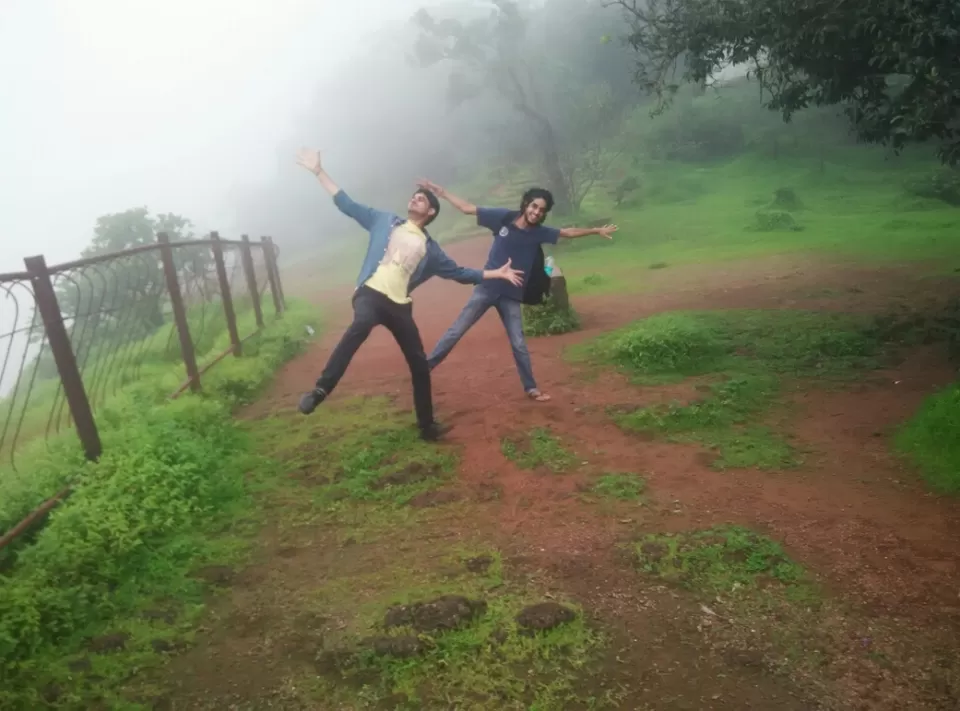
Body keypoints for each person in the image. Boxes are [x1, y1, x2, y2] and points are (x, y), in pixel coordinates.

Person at [294, 148, 524, 441]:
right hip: (370, 294)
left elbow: (460, 272)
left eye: (423, 199)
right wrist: (319, 172)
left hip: (399, 306)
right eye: (415, 196)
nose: (416, 198)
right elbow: (346, 203)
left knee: (419, 363)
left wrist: (496, 273)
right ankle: (320, 390)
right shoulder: (383, 220)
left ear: (430, 213)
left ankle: (427, 427)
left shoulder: (430, 248)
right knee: (360, 324)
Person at [418, 180, 617, 402]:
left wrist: (595, 230)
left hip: (511, 295)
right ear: (525, 204)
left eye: (541, 210)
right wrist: (443, 192)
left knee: (519, 343)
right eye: (534, 206)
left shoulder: (540, 232)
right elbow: (468, 208)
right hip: (487, 287)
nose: (536, 212)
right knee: (457, 331)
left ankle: (530, 388)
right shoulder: (503, 218)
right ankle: (425, 368)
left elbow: (567, 232)